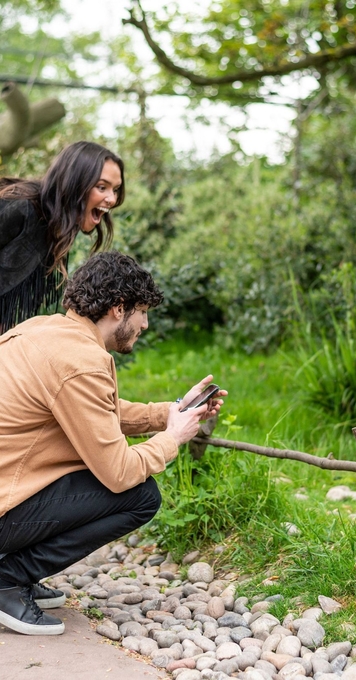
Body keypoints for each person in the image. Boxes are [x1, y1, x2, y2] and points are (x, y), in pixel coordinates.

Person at [0, 251, 226, 636]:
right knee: (140, 495)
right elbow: (119, 473)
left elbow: (96, 410)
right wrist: (172, 438)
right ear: (119, 309)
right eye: (142, 312)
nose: (146, 323)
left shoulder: (43, 329)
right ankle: (7, 579)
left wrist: (170, 411)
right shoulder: (82, 361)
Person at [0, 140, 125, 333]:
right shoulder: (21, 207)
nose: (112, 199)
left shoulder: (57, 226)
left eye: (115, 189)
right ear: (75, 183)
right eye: (102, 187)